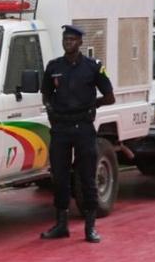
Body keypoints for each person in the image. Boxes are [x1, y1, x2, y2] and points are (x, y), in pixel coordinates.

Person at [40, 24, 115, 243]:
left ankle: (90, 228)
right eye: (65, 39)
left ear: (81, 42)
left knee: (87, 177)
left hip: (83, 128)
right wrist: (51, 109)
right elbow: (46, 93)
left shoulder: (93, 67)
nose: (68, 43)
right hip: (61, 128)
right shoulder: (54, 66)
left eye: (72, 39)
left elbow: (110, 97)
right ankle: (61, 225)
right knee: (59, 178)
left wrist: (93, 105)